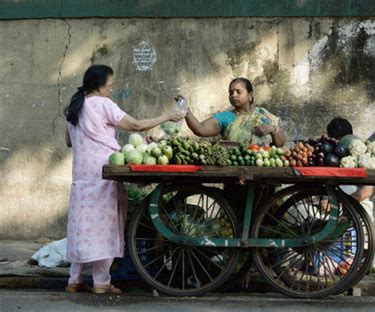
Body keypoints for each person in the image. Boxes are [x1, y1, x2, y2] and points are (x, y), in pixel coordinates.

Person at [63, 65, 184, 294]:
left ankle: (74, 280)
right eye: (109, 84)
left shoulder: (74, 107)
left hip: (81, 176)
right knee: (103, 228)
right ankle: (101, 283)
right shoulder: (103, 104)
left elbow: (69, 141)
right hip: (104, 173)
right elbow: (136, 125)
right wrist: (167, 115)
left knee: (81, 227)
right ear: (99, 87)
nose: (111, 88)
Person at [183, 77, 286, 147]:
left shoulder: (263, 115)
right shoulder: (226, 117)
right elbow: (200, 129)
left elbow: (280, 143)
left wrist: (273, 129)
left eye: (238, 92)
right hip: (233, 168)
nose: (234, 95)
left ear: (250, 95)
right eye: (231, 92)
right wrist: (186, 111)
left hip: (262, 168)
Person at [326, 117, 375, 222]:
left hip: (356, 204)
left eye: (340, 139)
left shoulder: (362, 158)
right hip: (333, 207)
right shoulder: (329, 157)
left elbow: (366, 192)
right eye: (334, 139)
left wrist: (340, 203)